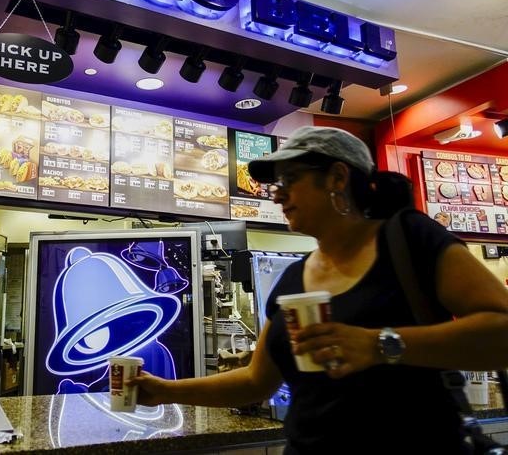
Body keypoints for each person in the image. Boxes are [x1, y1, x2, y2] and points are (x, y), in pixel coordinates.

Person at [127, 126, 508, 454]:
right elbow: (255, 381)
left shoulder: (408, 240)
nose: (276, 195)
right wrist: (165, 391)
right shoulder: (292, 279)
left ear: (338, 178)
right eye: (276, 184)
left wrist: (381, 344)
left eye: (290, 179)